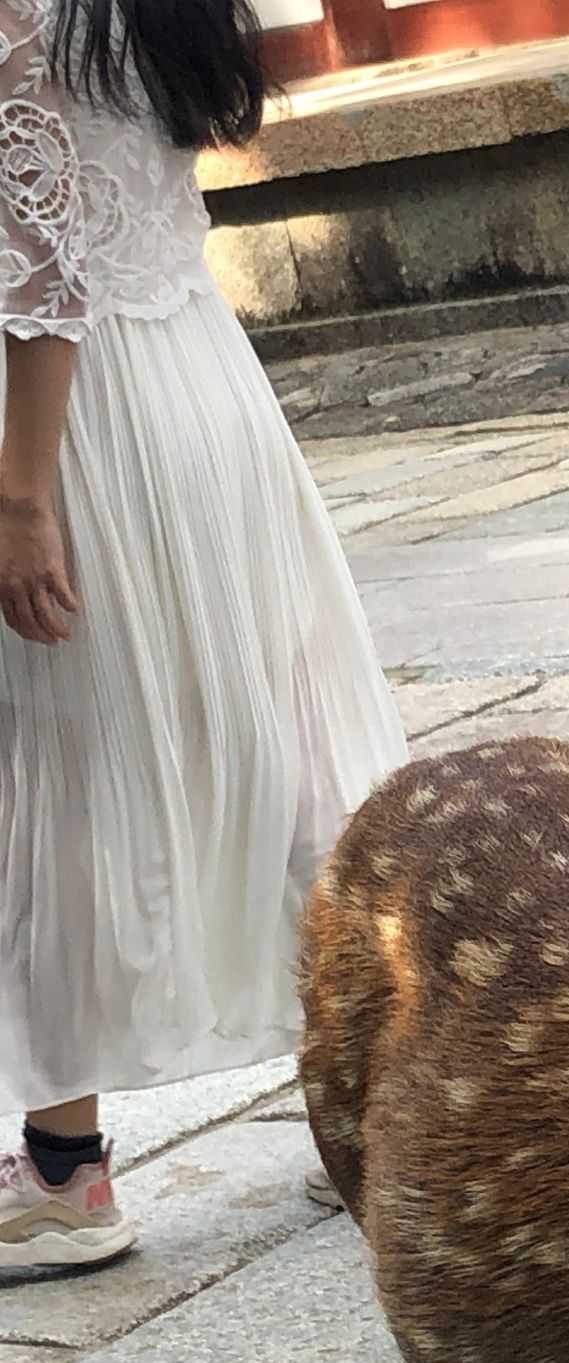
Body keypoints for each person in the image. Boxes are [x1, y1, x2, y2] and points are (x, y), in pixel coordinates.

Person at [0, 0, 407, 1269]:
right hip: (203, 386)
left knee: (67, 777)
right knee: (291, 749)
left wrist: (21, 494)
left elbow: (41, 268)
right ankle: (390, 1110)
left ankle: (64, 1178)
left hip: (83, 427)